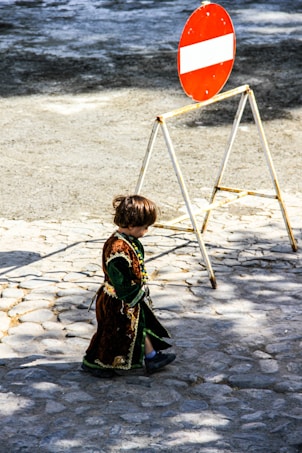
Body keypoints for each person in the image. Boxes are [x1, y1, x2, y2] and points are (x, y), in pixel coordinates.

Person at [82, 194, 176, 378]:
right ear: (131, 226)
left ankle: (151, 357)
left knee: (139, 327)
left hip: (127, 300)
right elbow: (121, 281)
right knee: (111, 334)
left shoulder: (128, 241)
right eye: (145, 227)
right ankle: (95, 364)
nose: (146, 231)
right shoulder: (118, 250)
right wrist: (136, 293)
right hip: (118, 301)